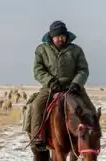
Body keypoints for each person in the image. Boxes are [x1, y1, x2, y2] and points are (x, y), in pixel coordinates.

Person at [30, 20, 96, 151]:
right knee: (36, 105)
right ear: (51, 36)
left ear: (66, 36)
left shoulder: (76, 50)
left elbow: (83, 69)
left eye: (62, 36)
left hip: (73, 87)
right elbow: (38, 70)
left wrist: (77, 83)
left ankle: (93, 136)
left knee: (90, 109)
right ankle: (38, 137)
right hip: (50, 87)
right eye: (57, 36)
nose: (60, 39)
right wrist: (50, 81)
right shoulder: (41, 50)